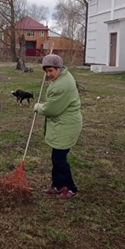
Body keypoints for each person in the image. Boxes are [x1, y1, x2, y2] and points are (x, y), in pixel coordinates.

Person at [33, 54, 82, 200]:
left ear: (59, 69)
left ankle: (71, 188)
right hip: (62, 124)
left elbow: (51, 109)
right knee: (56, 158)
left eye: (51, 71)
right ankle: (58, 185)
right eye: (46, 71)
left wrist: (38, 106)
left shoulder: (63, 85)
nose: (48, 75)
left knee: (59, 159)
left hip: (67, 126)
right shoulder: (62, 77)